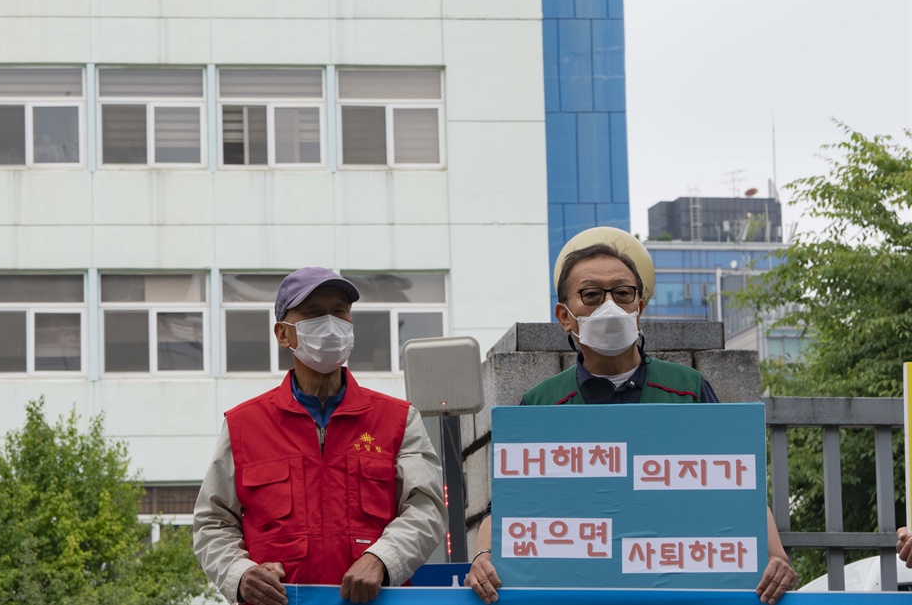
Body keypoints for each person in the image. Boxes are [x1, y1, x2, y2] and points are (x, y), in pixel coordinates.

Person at [465, 228, 799, 605]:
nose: (610, 305)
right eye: (591, 295)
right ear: (565, 316)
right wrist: (482, 557)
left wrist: (775, 557)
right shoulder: (541, 404)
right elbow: (506, 508)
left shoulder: (689, 390)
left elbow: (737, 484)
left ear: (639, 307)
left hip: (676, 594)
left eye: (623, 294)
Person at [193, 266, 447, 605]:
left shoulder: (398, 419)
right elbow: (213, 522)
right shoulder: (243, 425)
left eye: (339, 312)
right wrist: (239, 574)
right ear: (283, 334)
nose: (331, 325)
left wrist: (383, 558)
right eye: (314, 313)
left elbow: (426, 507)